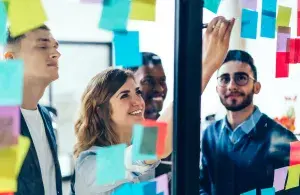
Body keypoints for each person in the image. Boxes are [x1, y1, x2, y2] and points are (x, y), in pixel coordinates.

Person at [70, 16, 235, 195]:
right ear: (99, 110)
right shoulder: (89, 167)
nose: (138, 101)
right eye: (124, 95)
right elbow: (154, 146)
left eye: (138, 92)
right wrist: (205, 66)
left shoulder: (139, 159)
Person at [199, 50, 299, 195]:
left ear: (256, 87)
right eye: (224, 79)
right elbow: (203, 185)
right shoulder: (209, 135)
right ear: (217, 88)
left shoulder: (288, 142)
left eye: (241, 78)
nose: (231, 86)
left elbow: (293, 192)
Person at [3, 25, 62, 195]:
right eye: (43, 47)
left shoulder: (46, 117)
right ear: (11, 59)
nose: (55, 54)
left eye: (55, 47)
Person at [127, 52, 172, 184]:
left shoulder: (176, 129)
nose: (159, 88)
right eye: (148, 81)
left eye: (162, 81)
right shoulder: (117, 133)